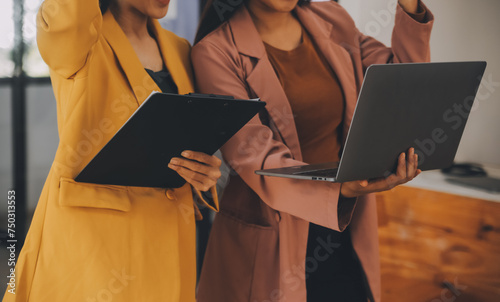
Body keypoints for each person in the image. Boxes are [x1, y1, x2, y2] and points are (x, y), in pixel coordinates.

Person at [191, 0, 433, 301]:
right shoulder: (214, 51)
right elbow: (251, 154)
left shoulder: (331, 17)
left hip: (342, 225)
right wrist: (338, 191)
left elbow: (404, 84)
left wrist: (409, 6)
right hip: (271, 235)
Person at [3, 0, 222, 301]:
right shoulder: (80, 39)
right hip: (95, 246)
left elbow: (181, 140)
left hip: (168, 238)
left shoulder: (180, 49)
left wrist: (202, 172)